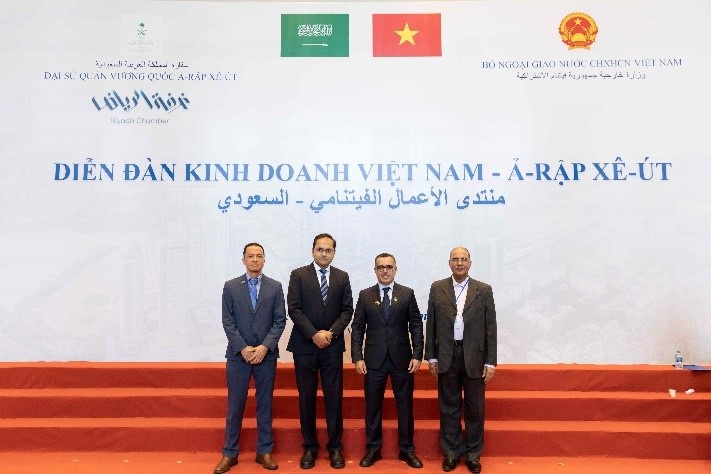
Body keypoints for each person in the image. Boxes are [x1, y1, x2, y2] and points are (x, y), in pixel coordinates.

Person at [214, 243, 286, 474]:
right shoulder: (231, 286)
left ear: (264, 260)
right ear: (243, 260)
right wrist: (243, 348)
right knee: (235, 405)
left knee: (265, 405)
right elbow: (228, 321)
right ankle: (229, 453)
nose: (255, 260)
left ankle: (264, 451)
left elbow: (280, 321)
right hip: (238, 356)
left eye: (259, 256)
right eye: (250, 256)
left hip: (266, 355)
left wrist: (265, 347)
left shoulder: (275, 287)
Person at [424, 247, 497, 474]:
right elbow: (431, 324)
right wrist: (431, 356)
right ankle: (452, 452)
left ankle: (473, 455)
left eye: (463, 259)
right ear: (449, 263)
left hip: (474, 357)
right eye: (455, 259)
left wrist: (490, 361)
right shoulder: (437, 288)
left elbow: (491, 328)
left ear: (470, 263)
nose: (459, 263)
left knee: (475, 408)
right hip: (447, 355)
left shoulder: (483, 290)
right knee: (449, 407)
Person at [351, 253, 424, 469]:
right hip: (373, 361)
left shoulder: (407, 293)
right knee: (372, 407)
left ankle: (407, 449)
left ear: (395, 269)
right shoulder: (365, 295)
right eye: (380, 267)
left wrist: (417, 354)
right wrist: (357, 357)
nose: (385, 270)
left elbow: (416, 326)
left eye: (389, 267)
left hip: (403, 360)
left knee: (405, 406)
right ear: (375, 270)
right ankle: (373, 449)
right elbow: (357, 328)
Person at [287, 233, 354, 469]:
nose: (324, 253)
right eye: (320, 249)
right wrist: (313, 334)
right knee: (306, 398)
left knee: (333, 398)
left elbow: (347, 310)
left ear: (334, 253)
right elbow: (294, 309)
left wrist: (331, 333)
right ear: (313, 250)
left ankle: (335, 447)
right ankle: (310, 447)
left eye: (328, 250)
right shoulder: (298, 275)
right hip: (304, 346)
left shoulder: (342, 277)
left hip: (332, 347)